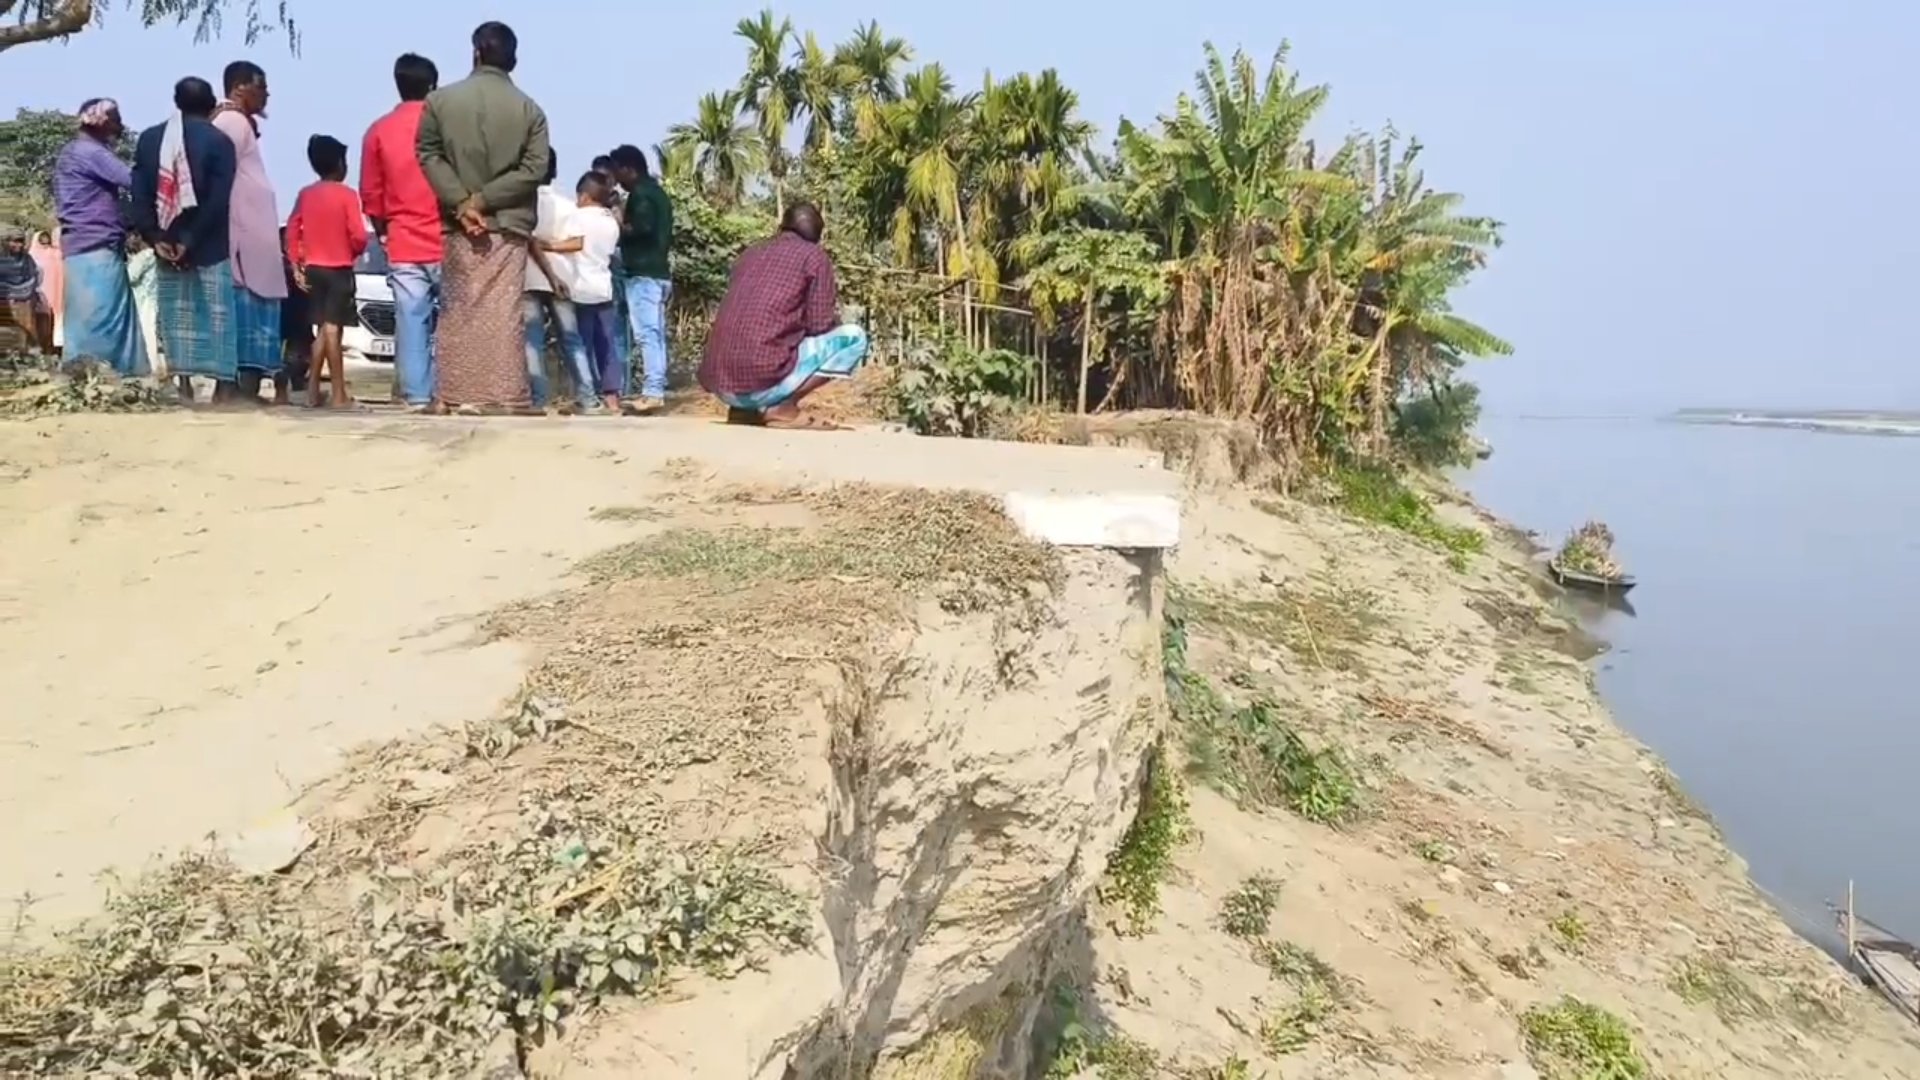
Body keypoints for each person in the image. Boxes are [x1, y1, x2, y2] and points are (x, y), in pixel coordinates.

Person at [416, 20, 551, 413]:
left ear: (476, 52)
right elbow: (534, 169)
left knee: (458, 308)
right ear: (513, 59)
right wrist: (484, 200)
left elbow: (428, 153)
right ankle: (506, 396)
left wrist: (463, 203)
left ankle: (450, 394)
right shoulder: (530, 110)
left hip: (458, 224)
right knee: (503, 312)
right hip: (507, 225)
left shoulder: (439, 102)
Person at [699, 202, 868, 430]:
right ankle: (783, 407)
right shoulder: (814, 257)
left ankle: (743, 411)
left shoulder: (750, 253)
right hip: (762, 382)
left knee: (755, 336)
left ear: (782, 226)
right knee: (855, 337)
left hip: (722, 386)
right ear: (818, 236)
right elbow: (819, 325)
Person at [131, 76, 237, 404]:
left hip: (165, 241)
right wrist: (189, 239)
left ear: (176, 103)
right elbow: (219, 199)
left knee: (177, 315)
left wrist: (154, 236)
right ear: (211, 104)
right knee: (218, 315)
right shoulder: (219, 141)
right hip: (209, 242)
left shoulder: (150, 139)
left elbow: (140, 193)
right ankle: (222, 387)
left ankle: (184, 383)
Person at [362, 52, 443, 411]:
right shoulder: (446, 127)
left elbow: (371, 193)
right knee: (453, 320)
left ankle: (418, 395)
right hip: (447, 238)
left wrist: (384, 231)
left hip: (404, 240)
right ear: (433, 85)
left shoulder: (379, 130)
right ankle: (450, 389)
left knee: (411, 321)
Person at [52, 98, 149, 375]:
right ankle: (106, 376)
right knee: (103, 318)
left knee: (85, 318)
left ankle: (84, 375)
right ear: (102, 122)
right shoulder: (91, 152)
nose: (120, 126)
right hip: (95, 244)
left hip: (81, 245)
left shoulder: (73, 151)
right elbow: (134, 181)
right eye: (116, 120)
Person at [212, 61, 288, 401]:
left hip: (251, 237)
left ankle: (243, 388)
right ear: (241, 87)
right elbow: (221, 178)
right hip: (242, 239)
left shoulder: (239, 123)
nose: (267, 94)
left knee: (253, 310)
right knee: (243, 312)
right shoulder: (230, 122)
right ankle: (236, 389)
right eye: (262, 87)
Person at [287, 135, 369, 408]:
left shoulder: (305, 194)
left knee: (323, 329)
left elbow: (292, 230)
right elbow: (359, 235)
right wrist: (352, 251)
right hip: (339, 268)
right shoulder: (347, 195)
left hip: (314, 267)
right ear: (339, 164)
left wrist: (296, 262)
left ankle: (312, 390)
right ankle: (338, 393)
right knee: (334, 329)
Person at [521, 152, 595, 411]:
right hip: (563, 279)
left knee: (533, 341)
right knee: (572, 339)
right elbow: (578, 243)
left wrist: (543, 248)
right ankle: (588, 397)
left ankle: (539, 399)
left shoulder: (525, 205)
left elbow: (529, 242)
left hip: (530, 279)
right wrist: (554, 249)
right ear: (554, 172)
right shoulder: (567, 205)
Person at [607, 144, 673, 410]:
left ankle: (653, 391)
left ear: (628, 169)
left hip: (643, 273)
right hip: (657, 271)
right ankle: (651, 389)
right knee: (653, 333)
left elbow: (640, 229)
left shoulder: (641, 194)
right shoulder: (658, 193)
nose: (616, 179)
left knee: (646, 334)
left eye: (618, 172)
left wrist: (617, 218)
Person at [568, 171, 623, 412]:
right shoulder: (611, 221)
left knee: (581, 346)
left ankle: (587, 395)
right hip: (604, 288)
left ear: (584, 196)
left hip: (580, 287)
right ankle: (612, 397)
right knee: (607, 345)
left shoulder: (576, 217)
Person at [275, 225, 311, 403]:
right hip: (294, 319)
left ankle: (285, 390)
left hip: (293, 320)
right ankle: (287, 390)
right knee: (294, 355)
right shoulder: (294, 268)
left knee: (294, 355)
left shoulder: (288, 266)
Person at [0, 227, 44, 351]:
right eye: (14, 241)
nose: (18, 245)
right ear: (5, 242)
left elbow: (34, 276)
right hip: (3, 297)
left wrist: (26, 293)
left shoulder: (27, 259)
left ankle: (29, 352)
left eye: (21, 241)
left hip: (23, 296)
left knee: (28, 325)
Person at [126, 235, 163, 376]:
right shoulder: (154, 255)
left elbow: (131, 275)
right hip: (151, 298)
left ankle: (151, 367)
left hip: (143, 299)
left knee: (147, 333)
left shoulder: (145, 255)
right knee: (150, 332)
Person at [29, 230, 64, 355]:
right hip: (41, 293)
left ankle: (57, 347)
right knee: (43, 321)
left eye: (46, 238)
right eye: (42, 239)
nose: (45, 241)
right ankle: (44, 347)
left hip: (59, 292)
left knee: (59, 319)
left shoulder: (57, 253)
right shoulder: (32, 255)